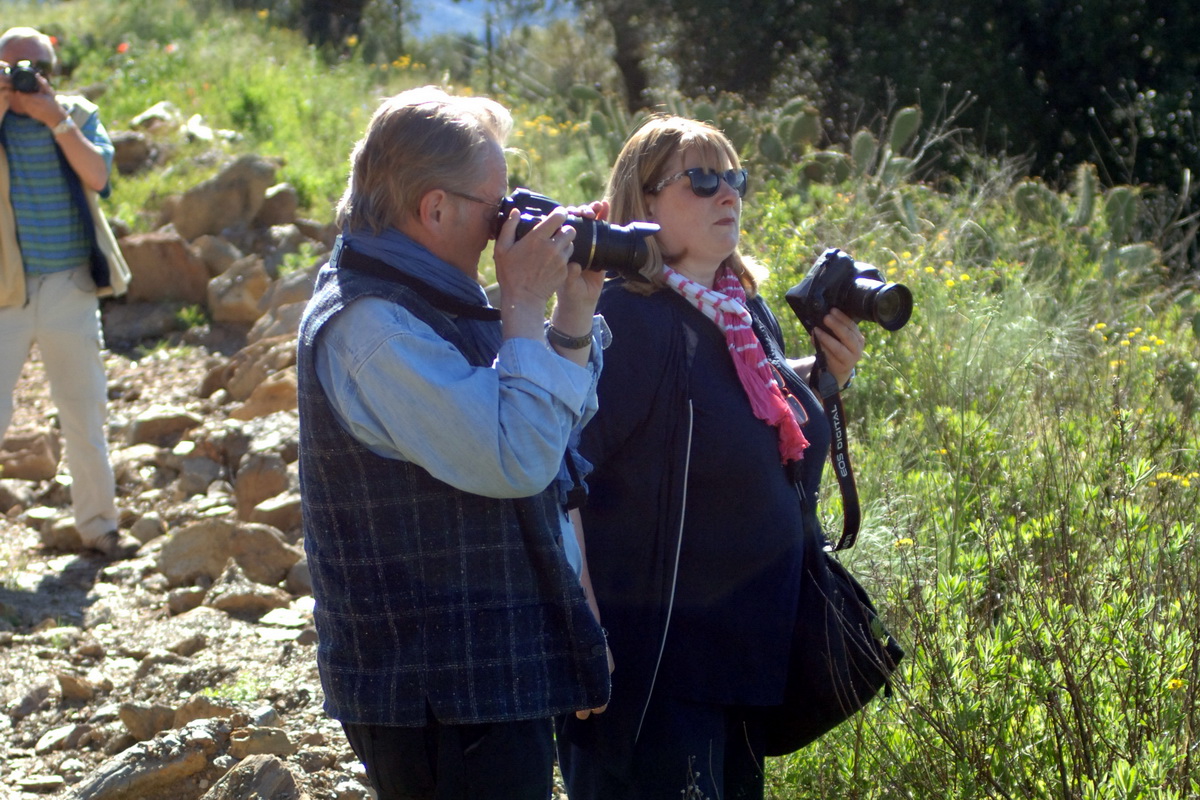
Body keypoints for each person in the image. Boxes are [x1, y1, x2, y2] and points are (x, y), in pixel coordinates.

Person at [296, 86, 610, 800]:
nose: (512, 223)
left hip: (487, 677)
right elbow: (519, 459)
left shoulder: (437, 292)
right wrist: (524, 303)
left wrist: (573, 312)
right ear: (434, 209)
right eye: (498, 206)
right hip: (435, 694)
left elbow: (556, 426)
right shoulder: (373, 327)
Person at [555, 115, 867, 799]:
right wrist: (580, 629)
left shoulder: (745, 316)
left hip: (742, 663)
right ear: (643, 202)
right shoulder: (627, 321)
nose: (727, 193)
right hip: (654, 679)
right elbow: (557, 474)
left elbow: (756, 444)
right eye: (700, 180)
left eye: (735, 178)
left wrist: (822, 382)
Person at [0, 26, 136, 558]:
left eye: (34, 67)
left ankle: (99, 525)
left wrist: (53, 119)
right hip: (5, 291)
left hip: (70, 285)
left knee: (83, 412)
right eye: (11, 67)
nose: (24, 76)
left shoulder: (76, 113)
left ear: (52, 73)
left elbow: (98, 174)